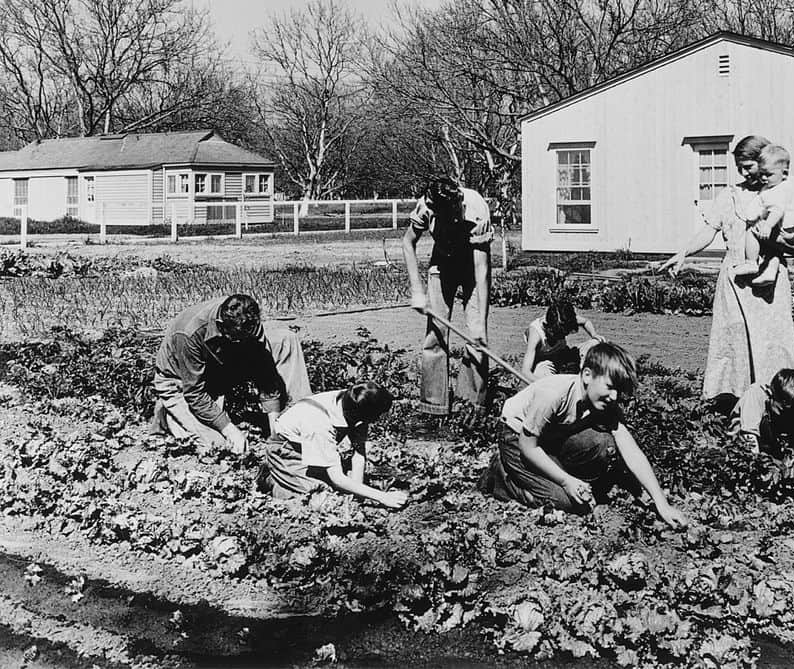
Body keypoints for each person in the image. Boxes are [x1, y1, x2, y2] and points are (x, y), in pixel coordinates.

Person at [658, 135, 794, 402]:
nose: (743, 172)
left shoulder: (779, 194)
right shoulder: (730, 195)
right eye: (739, 166)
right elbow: (709, 229)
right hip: (735, 277)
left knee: (773, 342)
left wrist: (774, 241)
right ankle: (732, 401)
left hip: (767, 280)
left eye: (748, 166)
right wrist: (683, 253)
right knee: (732, 340)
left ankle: (782, 401)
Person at [481, 342, 688, 528]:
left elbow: (631, 451)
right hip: (517, 438)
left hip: (551, 435)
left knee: (603, 443)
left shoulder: (605, 402)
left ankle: (553, 472)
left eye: (618, 390)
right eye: (609, 387)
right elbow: (529, 447)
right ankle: (501, 474)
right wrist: (566, 481)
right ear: (587, 375)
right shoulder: (553, 394)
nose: (614, 396)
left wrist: (662, 505)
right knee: (563, 502)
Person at [151, 294, 312, 453]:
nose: (241, 342)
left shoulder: (247, 319)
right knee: (217, 445)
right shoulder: (189, 333)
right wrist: (230, 430)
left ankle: (300, 418)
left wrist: (275, 427)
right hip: (182, 381)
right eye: (235, 339)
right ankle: (169, 416)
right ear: (221, 325)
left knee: (286, 339)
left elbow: (265, 370)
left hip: (221, 367)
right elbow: (194, 393)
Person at [402, 177, 494, 416]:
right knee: (436, 334)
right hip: (442, 262)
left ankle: (471, 406)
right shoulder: (427, 205)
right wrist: (416, 290)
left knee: (476, 336)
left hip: (472, 265)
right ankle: (433, 406)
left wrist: (482, 323)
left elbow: (481, 270)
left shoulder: (475, 208)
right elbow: (408, 242)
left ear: (457, 203)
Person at [259, 382, 409, 506]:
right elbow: (337, 478)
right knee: (319, 497)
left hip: (310, 446)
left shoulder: (357, 400)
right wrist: (382, 497)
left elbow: (359, 453)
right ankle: (273, 480)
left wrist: (357, 496)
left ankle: (287, 479)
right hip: (287, 451)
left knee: (344, 488)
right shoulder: (319, 423)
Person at [722, 368, 794, 489]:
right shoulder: (756, 396)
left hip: (769, 447)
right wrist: (759, 471)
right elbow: (749, 438)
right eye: (783, 411)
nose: (789, 416)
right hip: (738, 446)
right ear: (772, 395)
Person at [729, 144, 794, 287]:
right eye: (762, 174)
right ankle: (771, 271)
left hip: (785, 228)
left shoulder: (775, 190)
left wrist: (766, 225)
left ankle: (751, 263)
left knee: (754, 230)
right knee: (771, 245)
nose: (743, 173)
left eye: (748, 167)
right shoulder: (788, 182)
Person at [522, 300, 605, 382]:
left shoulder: (564, 318)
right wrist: (542, 384)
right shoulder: (536, 334)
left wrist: (594, 334)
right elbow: (526, 372)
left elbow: (585, 322)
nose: (563, 336)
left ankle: (586, 377)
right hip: (545, 362)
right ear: (550, 328)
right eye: (559, 334)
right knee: (542, 375)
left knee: (596, 343)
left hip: (564, 354)